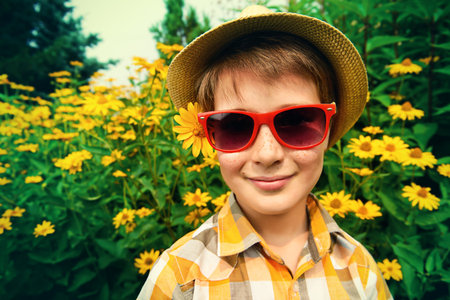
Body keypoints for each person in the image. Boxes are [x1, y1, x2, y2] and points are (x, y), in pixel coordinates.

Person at [138, 5, 392, 300]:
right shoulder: (178, 279)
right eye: (234, 125)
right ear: (207, 135)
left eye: (296, 122)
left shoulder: (361, 270)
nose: (267, 154)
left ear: (328, 131)